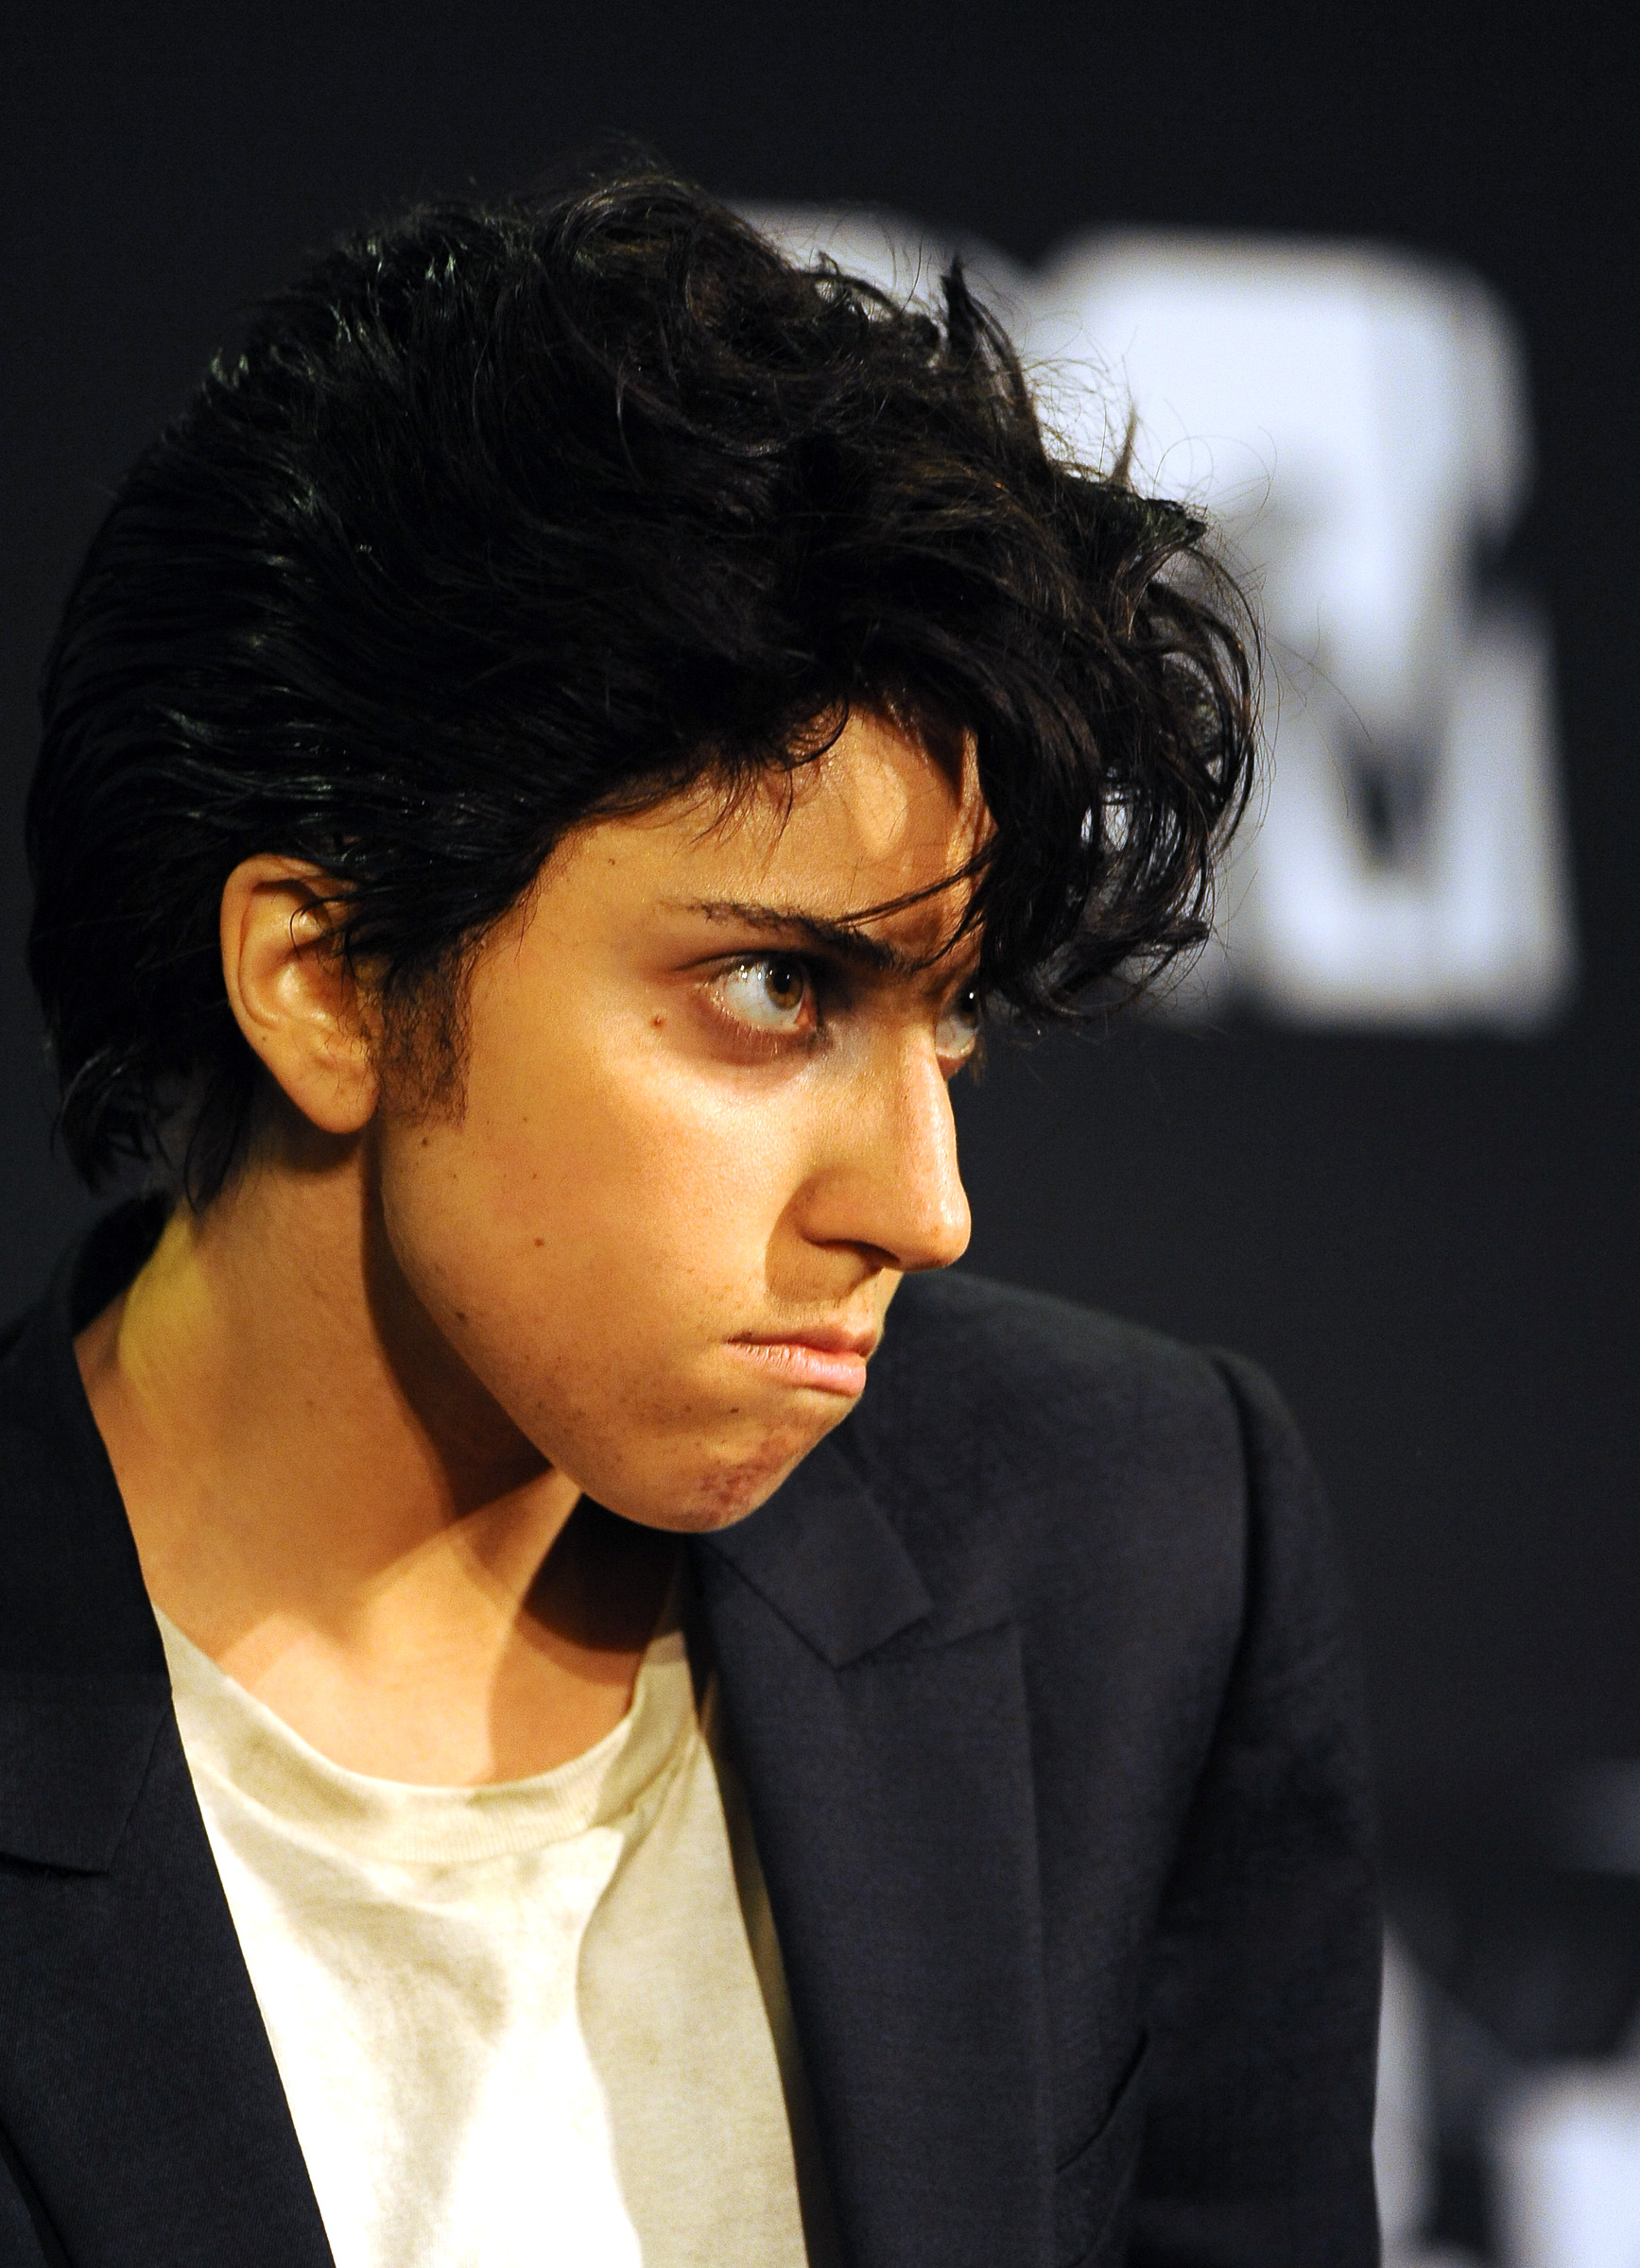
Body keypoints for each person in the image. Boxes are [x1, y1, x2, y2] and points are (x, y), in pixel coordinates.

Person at [0, 167, 1380, 2268]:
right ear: (326, 980)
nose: (926, 1209)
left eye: (952, 1018)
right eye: (777, 989)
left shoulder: (1138, 1557)